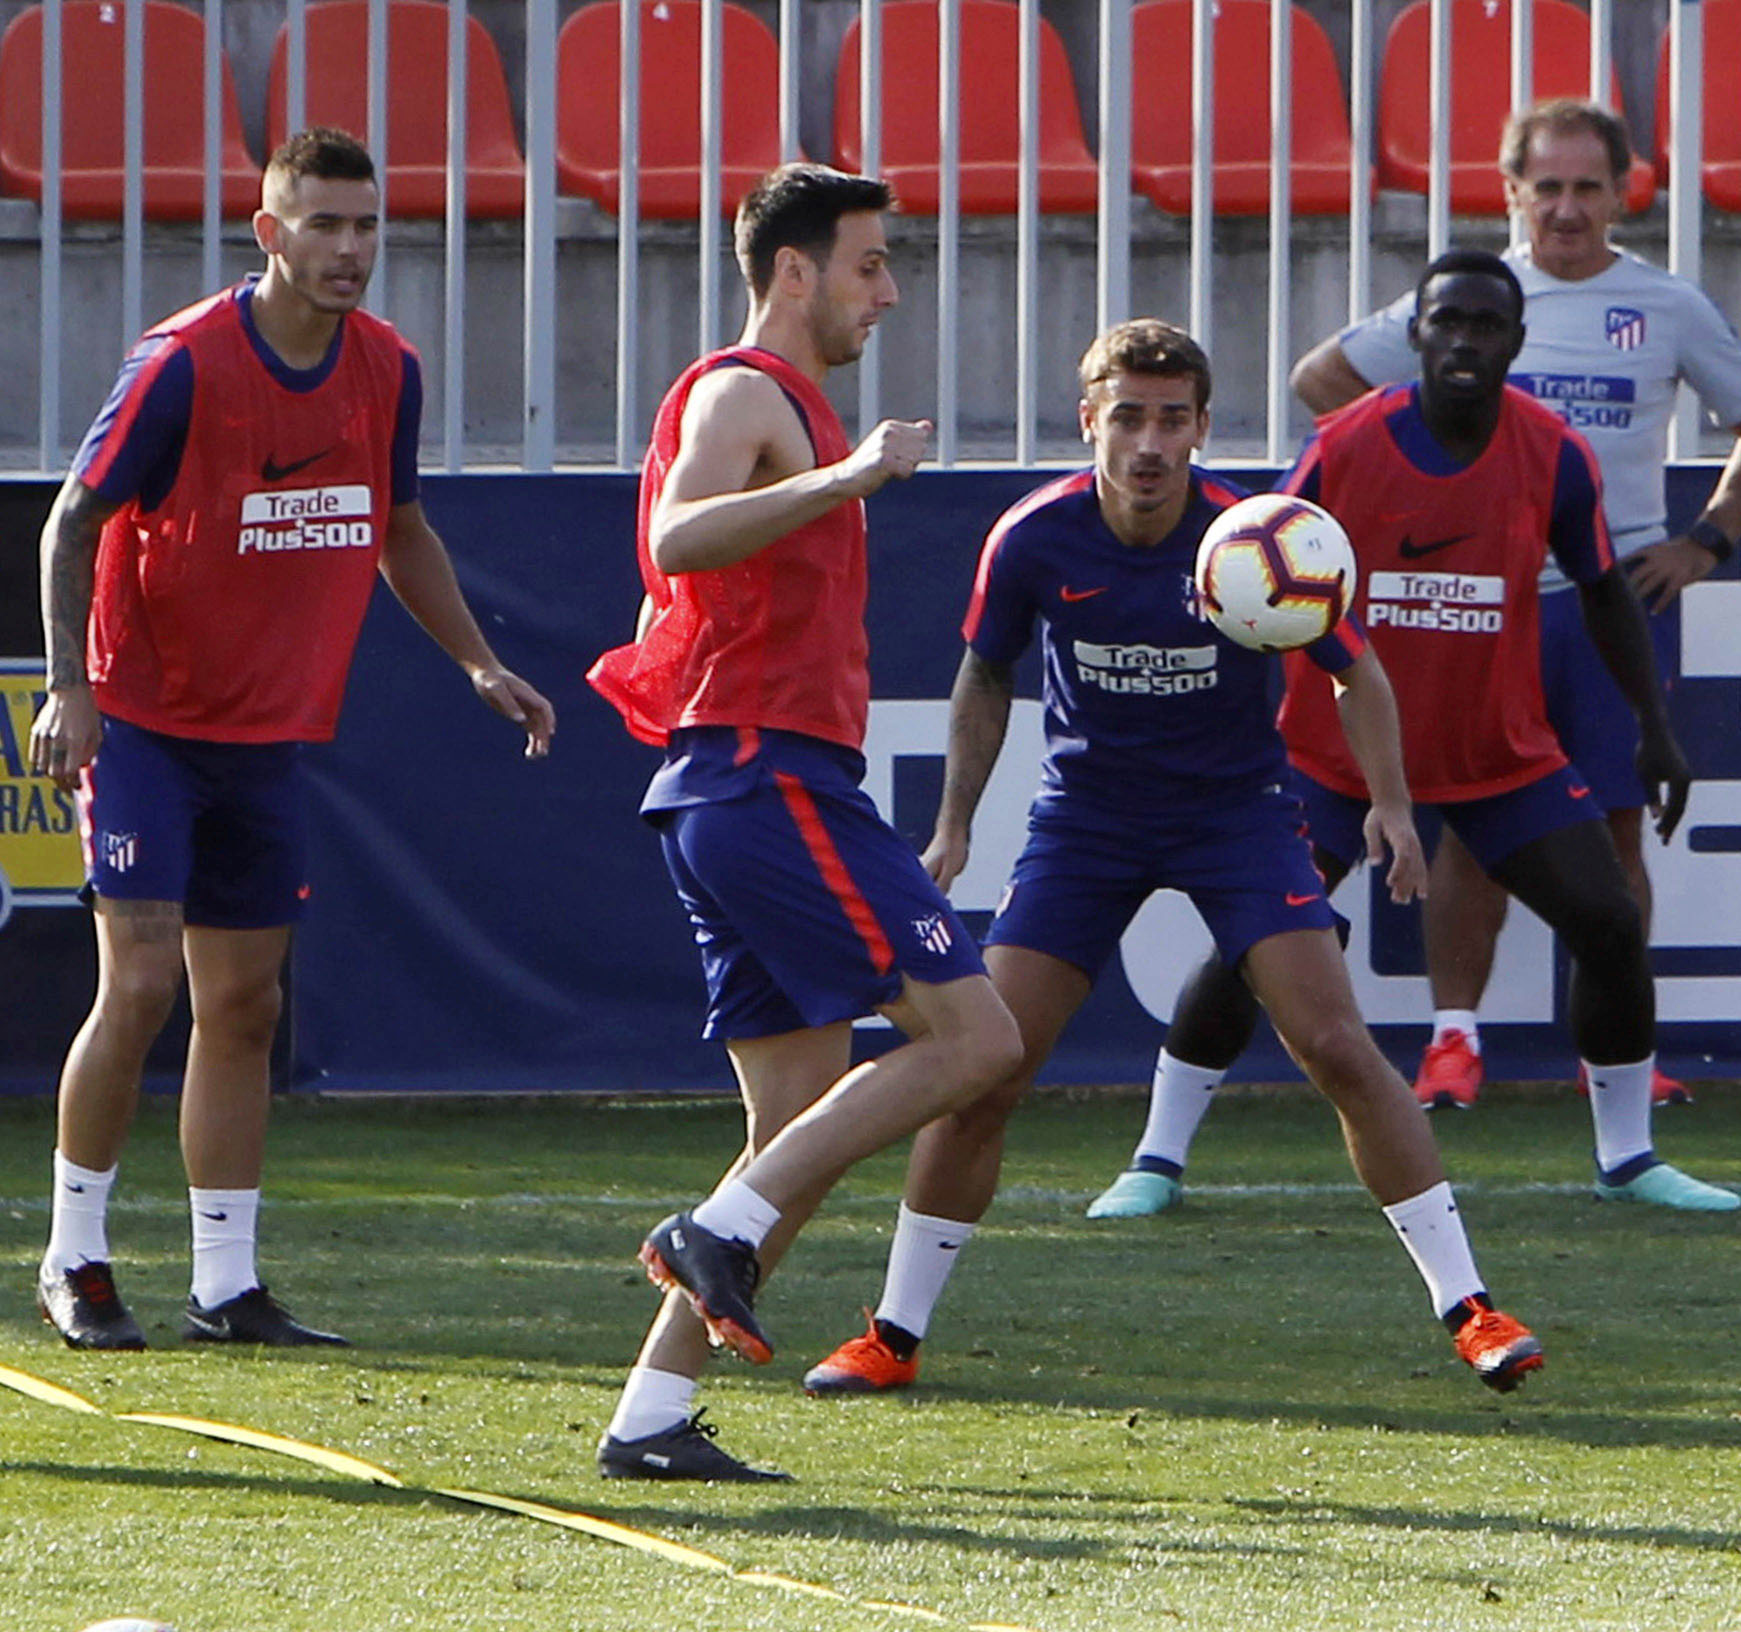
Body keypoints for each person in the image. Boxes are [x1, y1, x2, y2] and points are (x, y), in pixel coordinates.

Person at [797, 319, 1544, 1400]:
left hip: (1235, 815)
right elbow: (985, 676)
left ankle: (1471, 1309)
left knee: (1336, 1044)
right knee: (985, 1065)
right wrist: (956, 820)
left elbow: (1358, 672)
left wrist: (1388, 801)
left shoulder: (1256, 539)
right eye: (1129, 417)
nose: (1150, 443)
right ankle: (892, 1335)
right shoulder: (1035, 538)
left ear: (1202, 428)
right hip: (1087, 822)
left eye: (1173, 420)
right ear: (1089, 419)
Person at [1107, 102, 1741, 1172]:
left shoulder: (1559, 444)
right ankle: (1157, 1158)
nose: (1465, 341)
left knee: (1607, 915)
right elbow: (1268, 573)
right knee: (1256, 936)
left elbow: (1606, 585)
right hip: (1341, 743)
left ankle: (1630, 1157)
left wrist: (1660, 712)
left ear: (1515, 343)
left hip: (1494, 729)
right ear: (1411, 336)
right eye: (1447, 324)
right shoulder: (1344, 447)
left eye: (1486, 327)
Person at [24, 128, 556, 1353]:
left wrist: (479, 662)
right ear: (270, 234)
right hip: (148, 718)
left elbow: (398, 526)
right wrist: (71, 688)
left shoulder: (387, 370)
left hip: (265, 734)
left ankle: (225, 1283)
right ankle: (75, 1258)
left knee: (248, 1004)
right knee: (144, 981)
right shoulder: (185, 363)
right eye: (324, 225)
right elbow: (73, 520)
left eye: (367, 226)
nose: (351, 250)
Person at [585, 163, 1023, 1483]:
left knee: (796, 1140)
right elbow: (677, 535)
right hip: (766, 781)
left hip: (742, 788)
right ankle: (710, 1228)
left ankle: (650, 1420)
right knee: (978, 1037)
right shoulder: (745, 391)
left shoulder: (793, 407)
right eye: (868, 265)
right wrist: (846, 478)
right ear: (793, 271)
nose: (886, 293)